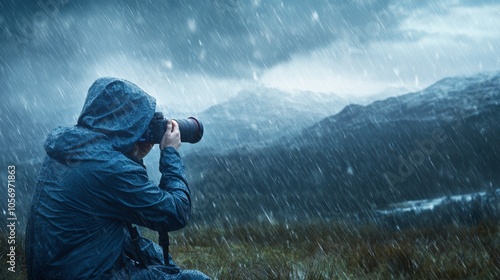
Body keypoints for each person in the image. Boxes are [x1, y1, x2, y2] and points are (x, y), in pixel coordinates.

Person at [25, 77, 210, 279]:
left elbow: (116, 194)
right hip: (86, 273)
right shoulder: (108, 168)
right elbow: (175, 213)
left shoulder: (71, 147)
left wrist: (133, 154)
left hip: (61, 268)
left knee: (153, 254)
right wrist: (171, 153)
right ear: (126, 123)